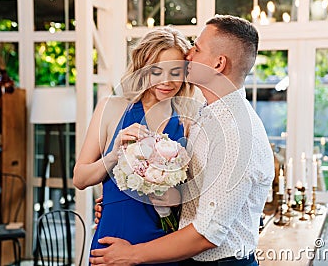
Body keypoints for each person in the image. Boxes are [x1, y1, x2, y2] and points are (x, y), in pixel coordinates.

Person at [89, 15, 275, 266]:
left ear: (219, 64)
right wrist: (124, 201)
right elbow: (196, 193)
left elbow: (207, 234)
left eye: (196, 49)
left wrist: (131, 254)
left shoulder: (235, 132)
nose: (188, 54)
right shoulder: (205, 115)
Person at [73, 26, 197, 266]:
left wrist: (172, 196)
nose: (167, 81)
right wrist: (114, 156)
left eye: (176, 71)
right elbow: (80, 178)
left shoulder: (189, 118)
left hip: (164, 245)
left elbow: (192, 196)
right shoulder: (111, 107)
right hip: (114, 237)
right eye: (157, 70)